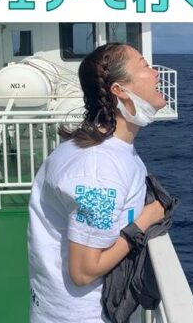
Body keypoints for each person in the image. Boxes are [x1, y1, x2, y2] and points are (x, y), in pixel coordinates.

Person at [27, 43, 167, 322]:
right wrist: (145, 220)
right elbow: (84, 271)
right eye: (144, 66)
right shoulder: (98, 169)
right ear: (119, 90)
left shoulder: (104, 149)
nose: (156, 74)